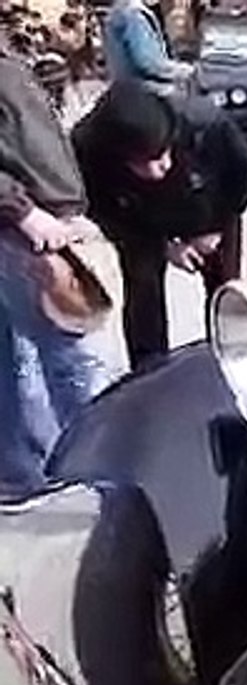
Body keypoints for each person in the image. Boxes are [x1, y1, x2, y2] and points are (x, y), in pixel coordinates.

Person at [71, 81, 247, 370]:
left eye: (162, 155)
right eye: (145, 162)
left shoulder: (207, 124)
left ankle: (232, 362)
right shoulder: (87, 148)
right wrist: (163, 247)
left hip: (209, 210)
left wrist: (216, 228)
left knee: (225, 290)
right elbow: (100, 208)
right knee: (142, 292)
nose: (160, 169)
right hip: (138, 221)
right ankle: (148, 370)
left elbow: (243, 179)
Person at [0, 38, 109, 496]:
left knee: (15, 356)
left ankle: (22, 470)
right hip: (21, 231)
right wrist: (24, 210)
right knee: (70, 359)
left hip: (34, 223)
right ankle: (110, 476)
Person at [102, 0, 187, 93]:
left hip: (126, 93)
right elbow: (149, 63)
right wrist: (189, 72)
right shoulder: (133, 14)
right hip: (142, 95)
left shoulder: (123, 10)